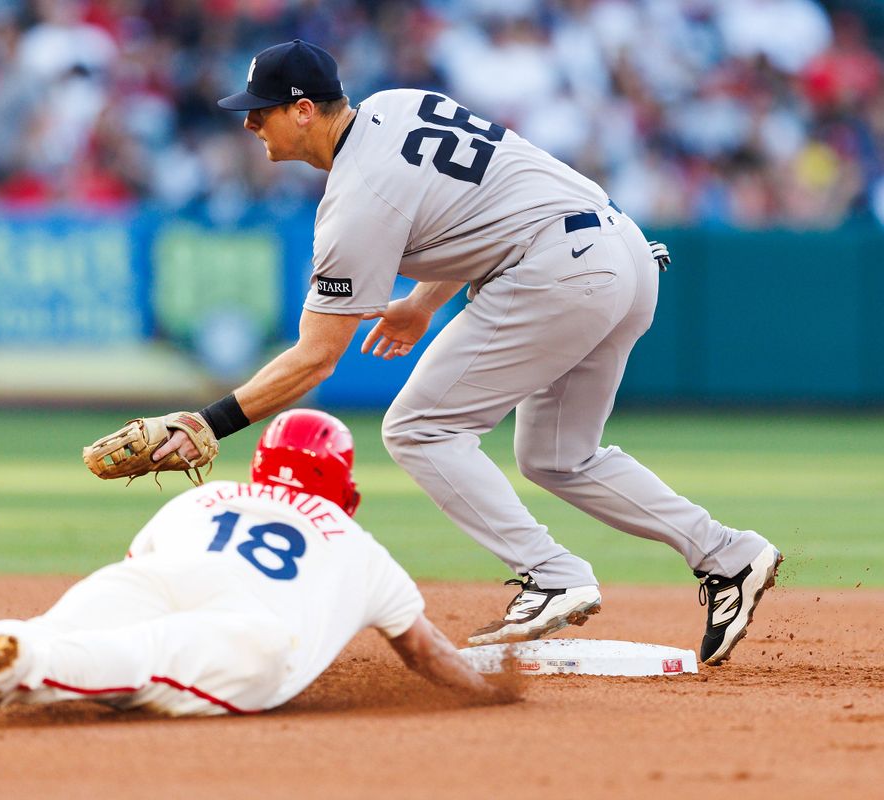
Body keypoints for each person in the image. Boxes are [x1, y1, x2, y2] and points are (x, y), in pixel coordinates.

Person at [151, 39, 781, 666]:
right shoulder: (398, 105)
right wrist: (423, 305)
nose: (251, 122)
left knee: (420, 428)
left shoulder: (355, 201)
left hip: (558, 269)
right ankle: (728, 555)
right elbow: (482, 208)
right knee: (557, 456)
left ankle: (551, 575)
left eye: (261, 109)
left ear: (306, 110)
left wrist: (207, 421)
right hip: (625, 254)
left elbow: (316, 358)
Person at [0, 409, 518, 715]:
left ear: (260, 467)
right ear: (348, 492)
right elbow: (426, 655)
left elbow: (138, 567)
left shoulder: (212, 493)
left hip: (152, 576)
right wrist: (494, 696)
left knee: (59, 627)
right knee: (134, 663)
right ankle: (14, 665)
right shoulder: (357, 544)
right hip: (248, 633)